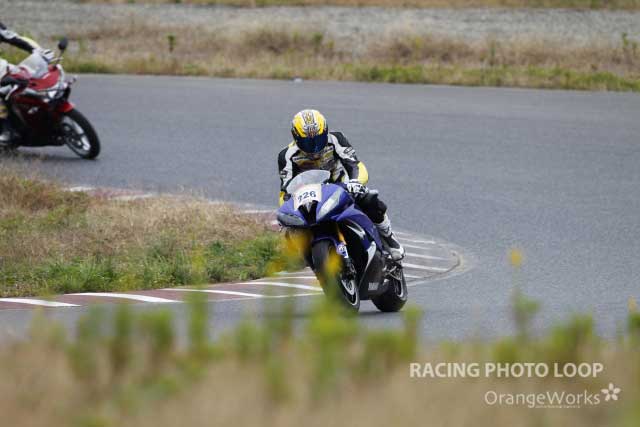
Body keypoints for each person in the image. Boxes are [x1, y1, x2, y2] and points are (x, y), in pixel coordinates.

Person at [278, 109, 405, 261]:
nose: (315, 147)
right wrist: (287, 210)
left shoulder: (336, 139)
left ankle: (389, 238)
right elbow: (285, 190)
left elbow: (355, 164)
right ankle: (304, 256)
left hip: (340, 186)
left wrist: (355, 182)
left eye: (319, 139)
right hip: (310, 196)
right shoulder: (287, 155)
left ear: (325, 131)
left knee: (369, 198)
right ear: (296, 137)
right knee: (290, 228)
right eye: (308, 142)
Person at [0, 22, 53, 143]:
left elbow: (15, 38)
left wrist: (38, 51)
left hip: (2, 67)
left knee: (27, 78)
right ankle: (5, 128)